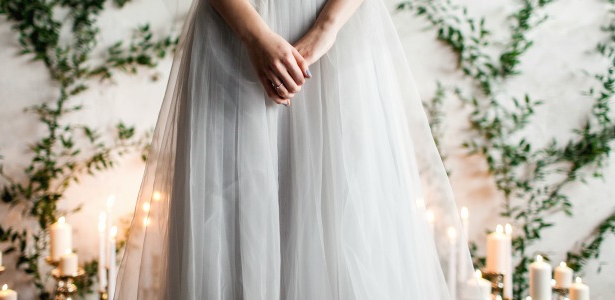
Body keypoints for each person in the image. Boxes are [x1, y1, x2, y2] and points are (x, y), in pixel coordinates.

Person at [114, 0, 485, 299]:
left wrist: (326, 29)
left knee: (341, 216)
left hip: (341, 39)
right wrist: (255, 35)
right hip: (233, 35)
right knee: (234, 224)